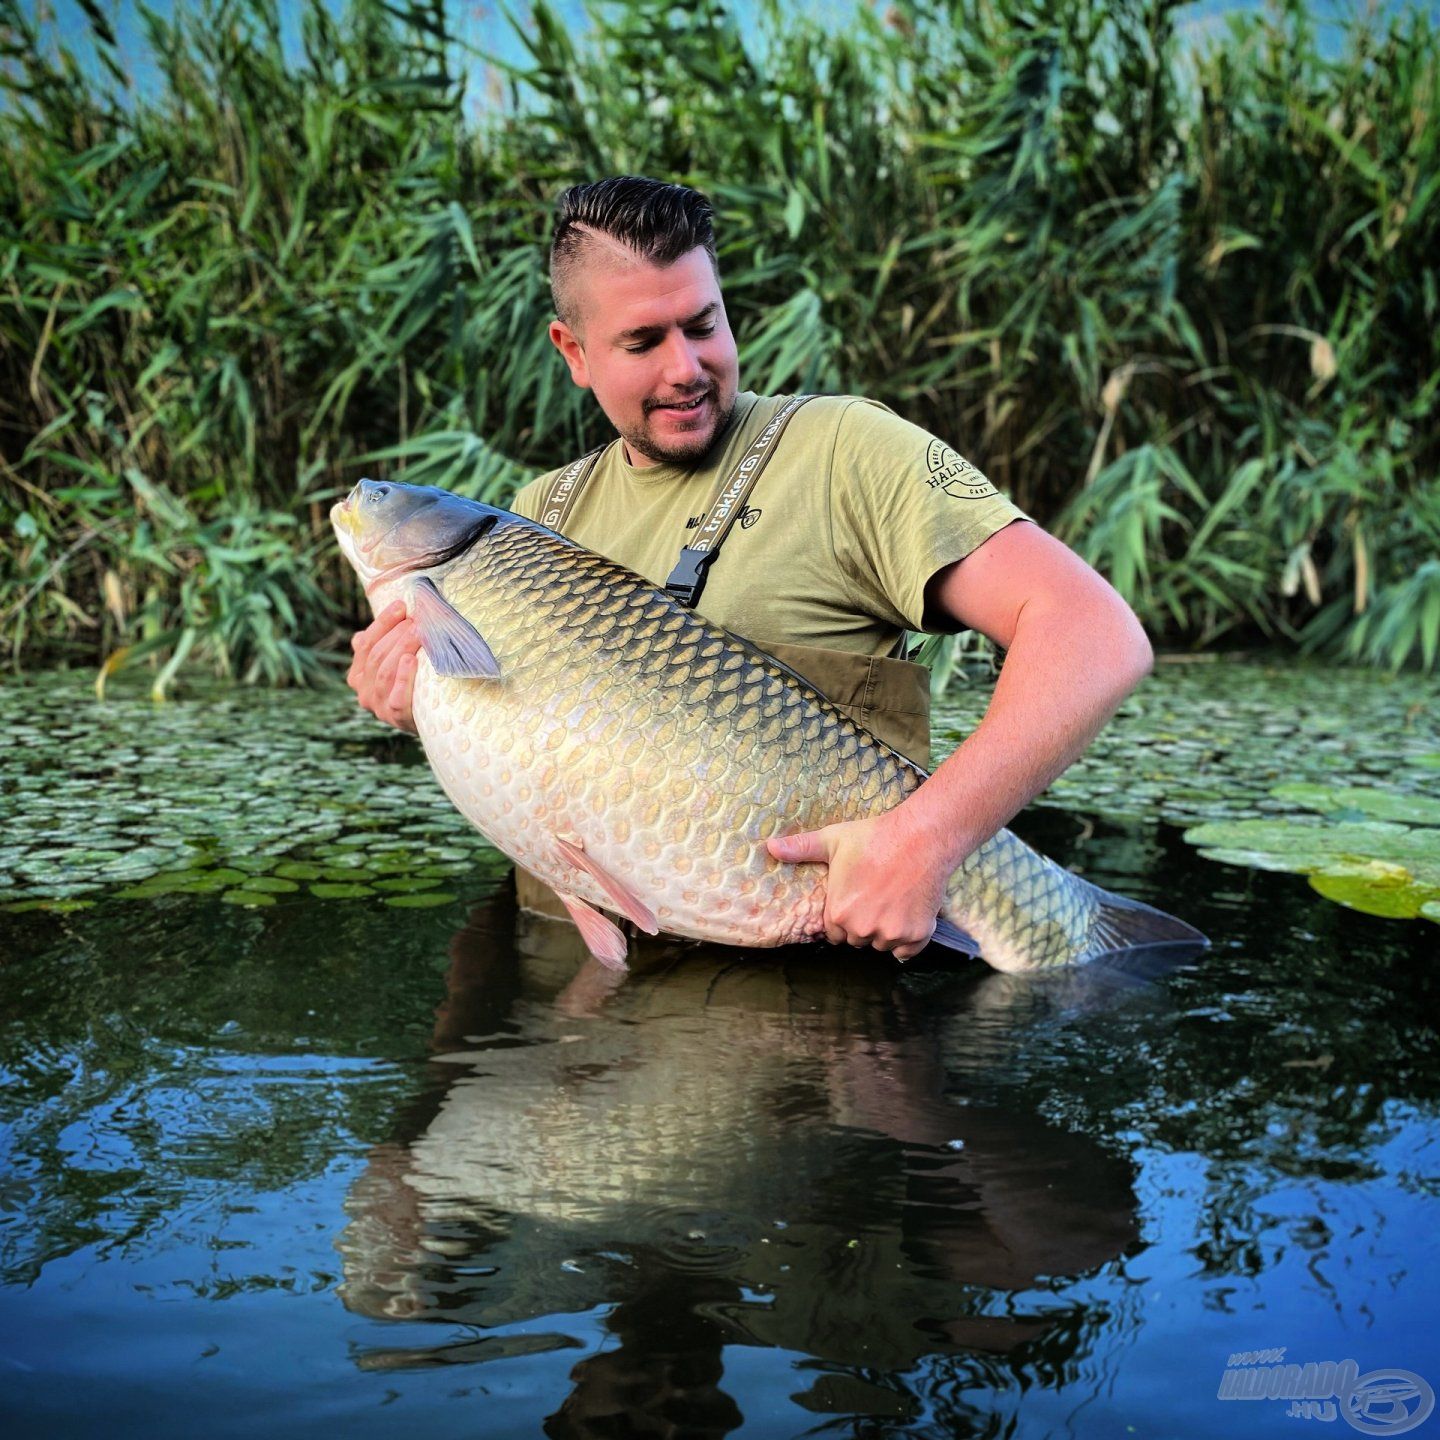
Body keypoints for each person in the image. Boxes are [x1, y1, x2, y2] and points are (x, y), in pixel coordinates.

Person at [347, 176, 1153, 961]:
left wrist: (923, 837)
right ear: (574, 352)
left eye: (703, 324)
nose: (686, 368)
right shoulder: (541, 515)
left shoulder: (845, 453)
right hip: (587, 1020)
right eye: (642, 341)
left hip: (827, 1033)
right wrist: (420, 702)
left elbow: (1096, 633)